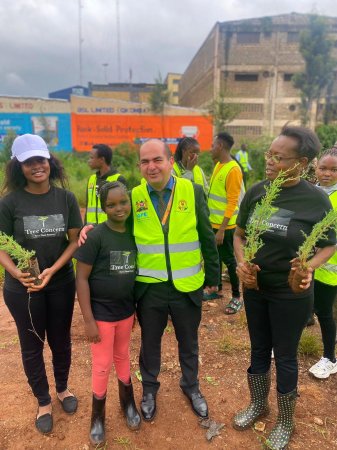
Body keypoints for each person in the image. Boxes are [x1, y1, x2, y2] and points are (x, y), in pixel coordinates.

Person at [79, 139, 219, 421]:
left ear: (170, 161)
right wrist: (91, 229)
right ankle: (150, 390)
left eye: (157, 160)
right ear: (139, 166)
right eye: (144, 162)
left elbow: (206, 235)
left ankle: (191, 387)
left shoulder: (191, 191)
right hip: (149, 287)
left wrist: (213, 276)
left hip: (187, 286)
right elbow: (116, 225)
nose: (151, 167)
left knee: (189, 343)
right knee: (150, 343)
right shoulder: (134, 196)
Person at [232, 126, 336, 450]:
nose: (270, 162)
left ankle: (286, 420)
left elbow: (329, 244)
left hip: (291, 292)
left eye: (279, 157)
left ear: (302, 162)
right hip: (255, 287)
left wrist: (309, 266)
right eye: (269, 154)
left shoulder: (316, 199)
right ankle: (258, 404)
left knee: (286, 355)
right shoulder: (257, 191)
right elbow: (239, 235)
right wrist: (241, 264)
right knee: (259, 348)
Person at [0, 134, 82, 434]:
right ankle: (44, 401)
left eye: (41, 159)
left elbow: (73, 242)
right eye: (29, 162)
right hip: (22, 289)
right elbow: (1, 245)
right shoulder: (9, 203)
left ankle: (62, 389)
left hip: (60, 282)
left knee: (61, 339)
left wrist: (52, 270)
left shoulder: (66, 198)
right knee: (32, 344)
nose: (37, 166)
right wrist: (16, 272)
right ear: (18, 166)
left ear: (50, 160)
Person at [75, 181, 141, 445]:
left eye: (123, 202)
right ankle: (97, 417)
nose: (119, 208)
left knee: (123, 357)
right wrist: (88, 320)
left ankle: (128, 404)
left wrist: (135, 310)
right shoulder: (95, 236)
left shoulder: (135, 232)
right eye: (111, 204)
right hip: (101, 315)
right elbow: (81, 279)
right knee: (102, 366)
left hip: (126, 312)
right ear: (103, 208)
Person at [204, 132, 245, 315]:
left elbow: (232, 201)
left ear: (220, 146)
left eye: (213, 145)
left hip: (226, 227)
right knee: (216, 258)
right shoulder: (219, 165)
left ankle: (237, 297)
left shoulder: (233, 169)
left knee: (229, 260)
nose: (210, 149)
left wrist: (221, 230)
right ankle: (216, 289)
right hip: (215, 223)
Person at [308, 147, 337, 379]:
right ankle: (284, 345)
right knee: (301, 307)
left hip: (330, 269)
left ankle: (329, 358)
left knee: (325, 313)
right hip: (306, 266)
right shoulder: (310, 193)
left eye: (334, 170)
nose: (327, 173)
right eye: (323, 168)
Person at [85, 143, 127, 225]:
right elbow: (88, 207)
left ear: (102, 159)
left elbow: (123, 209)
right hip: (91, 231)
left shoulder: (118, 179)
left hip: (108, 230)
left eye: (91, 157)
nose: (89, 161)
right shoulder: (91, 179)